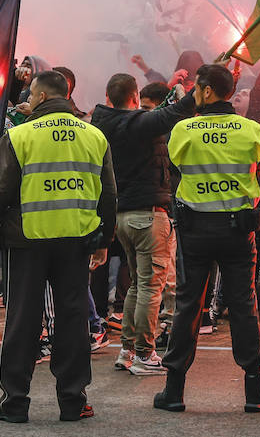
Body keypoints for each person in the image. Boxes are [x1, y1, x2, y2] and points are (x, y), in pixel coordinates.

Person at [0, 69, 117, 423]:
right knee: (73, 319)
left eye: (32, 94)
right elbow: (108, 194)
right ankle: (73, 400)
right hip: (76, 242)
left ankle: (14, 401)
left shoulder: (20, 135)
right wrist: (104, 241)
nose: (28, 99)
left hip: (27, 241)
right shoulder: (95, 136)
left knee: (22, 320)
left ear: (44, 97)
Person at [154, 63, 260, 414]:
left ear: (204, 91)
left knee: (188, 307)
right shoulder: (251, 129)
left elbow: (175, 167)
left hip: (196, 232)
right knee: (243, 305)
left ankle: (173, 392)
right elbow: (257, 169)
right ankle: (253, 391)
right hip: (238, 231)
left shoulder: (183, 129)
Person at [90, 72, 197, 375]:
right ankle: (144, 354)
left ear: (109, 97)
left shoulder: (104, 124)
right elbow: (176, 112)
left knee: (138, 285)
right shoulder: (138, 124)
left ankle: (126, 349)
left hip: (121, 217)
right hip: (148, 216)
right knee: (152, 287)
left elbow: (159, 114)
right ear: (135, 97)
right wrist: (195, 89)